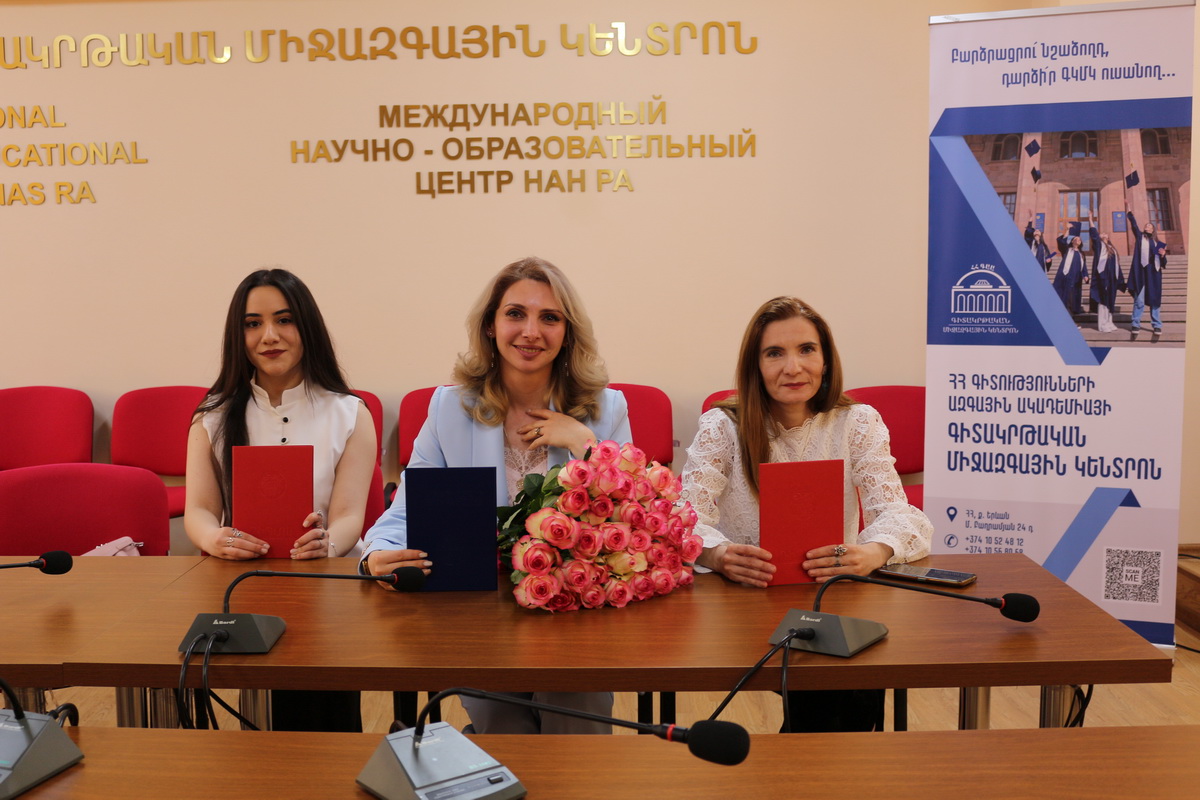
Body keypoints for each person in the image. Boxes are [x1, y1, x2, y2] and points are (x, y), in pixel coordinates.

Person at [363, 256, 633, 735]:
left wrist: (585, 444)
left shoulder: (604, 409)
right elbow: (407, 509)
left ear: (567, 333)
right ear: (490, 325)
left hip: (575, 611)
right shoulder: (450, 408)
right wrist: (375, 556)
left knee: (575, 726)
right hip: (478, 609)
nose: (531, 331)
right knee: (502, 727)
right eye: (515, 314)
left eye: (549, 318)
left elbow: (630, 520)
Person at [679, 296, 932, 732]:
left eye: (806, 350)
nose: (793, 367)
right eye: (774, 353)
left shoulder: (857, 422)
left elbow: (899, 513)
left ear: (826, 360)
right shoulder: (723, 426)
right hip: (747, 603)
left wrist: (873, 552)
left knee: (852, 680)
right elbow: (684, 518)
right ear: (755, 365)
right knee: (842, 692)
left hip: (828, 596)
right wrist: (718, 556)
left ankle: (800, 766)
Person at [184, 268, 376, 731]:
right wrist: (214, 538)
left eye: (284, 320)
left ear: (306, 326)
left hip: (327, 590)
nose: (268, 336)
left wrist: (328, 543)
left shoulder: (350, 413)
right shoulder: (212, 416)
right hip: (243, 585)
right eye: (253, 324)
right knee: (257, 729)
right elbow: (199, 510)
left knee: (327, 729)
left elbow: (350, 515)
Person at [1125, 206, 1167, 339]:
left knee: (1155, 299)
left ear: (1153, 229)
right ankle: (1135, 323)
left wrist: (1163, 255)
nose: (1147, 226)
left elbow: (1163, 263)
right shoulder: (1140, 237)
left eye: (1150, 225)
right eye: (1146, 225)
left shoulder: (1158, 243)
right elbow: (1134, 225)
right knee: (1139, 300)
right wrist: (1129, 211)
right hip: (1141, 272)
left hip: (1153, 274)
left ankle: (1157, 324)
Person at [1087, 209, 1125, 334]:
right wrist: (1090, 220)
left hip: (1112, 278)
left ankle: (1109, 322)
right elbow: (1093, 234)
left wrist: (1120, 279)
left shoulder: (1112, 249)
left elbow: (1117, 265)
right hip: (1102, 277)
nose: (1103, 234)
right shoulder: (1099, 246)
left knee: (1111, 300)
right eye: (1101, 233)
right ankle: (1102, 324)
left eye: (1105, 233)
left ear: (1108, 237)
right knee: (1103, 300)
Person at [1054, 224, 1088, 317]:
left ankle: (1070, 318)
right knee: (1065, 296)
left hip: (1076, 279)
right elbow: (1062, 242)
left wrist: (1085, 275)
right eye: (1075, 239)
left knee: (1072, 298)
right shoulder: (1067, 250)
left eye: (1079, 239)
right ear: (1072, 241)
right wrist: (1067, 229)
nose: (1078, 240)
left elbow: (1084, 267)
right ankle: (1064, 317)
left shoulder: (1081, 254)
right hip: (1066, 277)